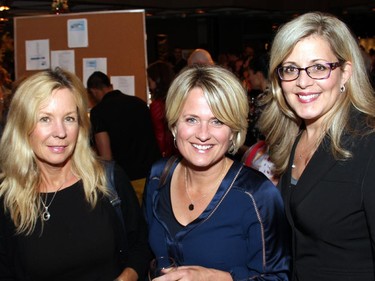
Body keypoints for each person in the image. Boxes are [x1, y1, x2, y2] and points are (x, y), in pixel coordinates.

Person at [0, 68, 151, 280]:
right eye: (45, 119)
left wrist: (127, 276)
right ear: (22, 125)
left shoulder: (108, 181)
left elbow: (141, 245)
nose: (60, 132)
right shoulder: (8, 200)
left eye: (69, 118)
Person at [143, 64, 290, 280]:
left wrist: (216, 277)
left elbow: (278, 277)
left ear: (233, 132)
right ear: (174, 125)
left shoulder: (258, 196)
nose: (203, 134)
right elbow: (148, 253)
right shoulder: (158, 177)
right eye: (191, 119)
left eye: (217, 121)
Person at [258, 12, 375, 280]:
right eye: (290, 68)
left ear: (345, 72)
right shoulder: (296, 136)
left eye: (319, 67)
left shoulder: (368, 143)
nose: (303, 81)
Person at [87, 71, 161, 181]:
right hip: (154, 174)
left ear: (93, 91)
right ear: (110, 86)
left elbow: (106, 157)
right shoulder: (139, 103)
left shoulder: (98, 112)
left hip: (128, 178)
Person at [147, 60, 177, 158]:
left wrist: (162, 153)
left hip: (166, 153)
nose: (148, 82)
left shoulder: (157, 105)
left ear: (156, 79)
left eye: (150, 79)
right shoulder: (176, 98)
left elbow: (159, 133)